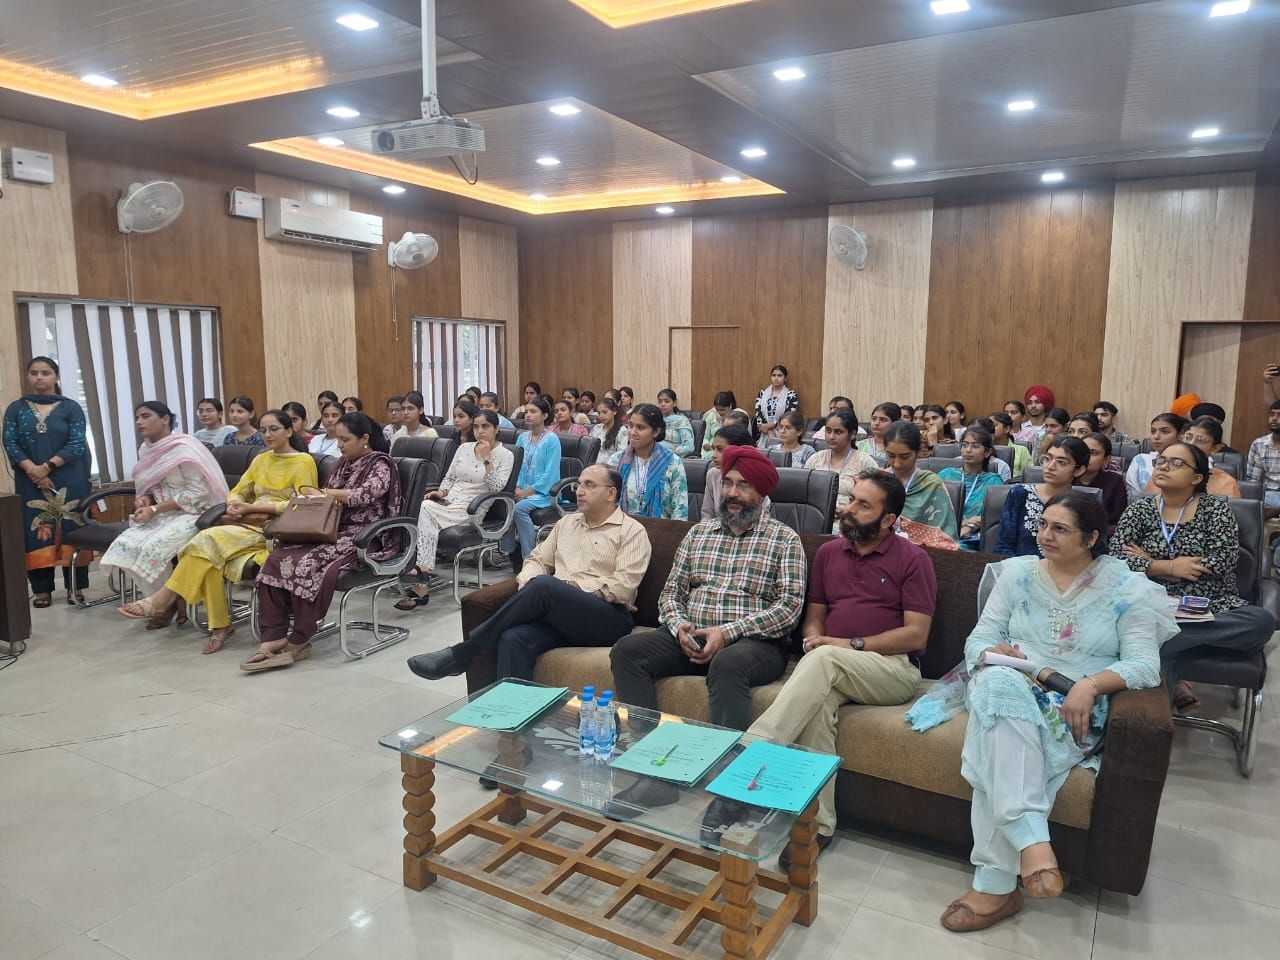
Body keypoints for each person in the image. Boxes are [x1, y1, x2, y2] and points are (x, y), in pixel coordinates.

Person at [939, 492, 1176, 933]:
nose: (1045, 535)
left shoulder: (1127, 590)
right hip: (1009, 685)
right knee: (996, 683)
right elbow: (979, 639)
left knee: (997, 744)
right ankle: (1031, 845)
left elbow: (1145, 664)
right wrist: (994, 652)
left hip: (1071, 706)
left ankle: (997, 886)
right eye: (1043, 525)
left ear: (1091, 538)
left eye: (1060, 529)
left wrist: (1090, 685)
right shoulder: (1017, 575)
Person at [735, 472, 935, 865]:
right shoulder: (829, 553)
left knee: (824, 659)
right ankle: (818, 825)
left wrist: (844, 645)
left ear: (888, 519)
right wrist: (814, 638)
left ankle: (754, 750)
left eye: (864, 505)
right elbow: (815, 616)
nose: (849, 509)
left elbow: (916, 634)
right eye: (852, 499)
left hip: (892, 670)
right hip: (833, 666)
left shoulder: (914, 560)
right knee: (817, 707)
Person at [610, 446, 805, 744]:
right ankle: (646, 745)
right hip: (692, 638)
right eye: (727, 483)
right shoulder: (699, 533)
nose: (732, 493)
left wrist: (726, 633)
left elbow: (789, 609)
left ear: (762, 493)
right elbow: (671, 592)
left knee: (728, 663)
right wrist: (679, 627)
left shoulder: (785, 540)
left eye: (744, 485)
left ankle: (725, 761)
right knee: (627, 650)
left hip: (754, 644)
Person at [407, 463, 652, 687]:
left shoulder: (631, 531)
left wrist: (566, 588)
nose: (579, 491)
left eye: (589, 485)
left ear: (611, 493)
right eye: (579, 485)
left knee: (546, 586)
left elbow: (621, 588)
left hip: (608, 619)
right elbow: (537, 560)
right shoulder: (567, 523)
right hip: (563, 614)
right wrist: (529, 580)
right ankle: (512, 715)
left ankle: (463, 653)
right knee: (513, 638)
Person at [120, 410, 317, 652]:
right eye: (264, 430)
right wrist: (234, 503)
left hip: (275, 529)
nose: (267, 435)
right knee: (207, 557)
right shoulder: (261, 459)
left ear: (288, 431)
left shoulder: (302, 461)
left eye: (274, 429)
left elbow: (302, 503)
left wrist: (254, 507)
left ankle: (163, 600)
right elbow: (239, 490)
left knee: (205, 540)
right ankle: (219, 625)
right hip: (246, 524)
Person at [1112, 442, 1276, 711]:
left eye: (1176, 463)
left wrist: (1147, 562)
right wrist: (1170, 567)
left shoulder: (1215, 509)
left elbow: (1223, 559)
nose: (1164, 466)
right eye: (1161, 461)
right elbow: (1117, 558)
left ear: (1197, 477)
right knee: (1138, 622)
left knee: (1261, 621)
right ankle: (1159, 703)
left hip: (1211, 606)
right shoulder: (1140, 509)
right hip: (1151, 602)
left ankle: (1163, 638)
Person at [246, 413, 401, 671]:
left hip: (363, 535)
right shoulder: (342, 463)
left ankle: (300, 638)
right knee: (277, 558)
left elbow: (362, 495)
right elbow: (326, 500)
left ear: (364, 438)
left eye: (345, 439)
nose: (339, 445)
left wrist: (324, 493)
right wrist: (314, 496)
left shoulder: (381, 464)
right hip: (331, 529)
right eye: (338, 439)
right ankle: (273, 635)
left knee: (307, 563)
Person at [101, 401, 228, 600]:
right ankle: (164, 600)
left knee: (152, 547)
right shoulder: (145, 449)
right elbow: (152, 484)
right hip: (162, 512)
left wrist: (155, 509)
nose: (139, 422)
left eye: (145, 416)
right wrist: (145, 499)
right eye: (137, 417)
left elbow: (197, 493)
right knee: (125, 544)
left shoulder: (184, 448)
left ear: (165, 419)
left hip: (196, 513)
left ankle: (165, 601)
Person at [396, 410, 515, 609]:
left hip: (472, 509)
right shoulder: (464, 448)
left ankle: (421, 572)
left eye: (485, 427)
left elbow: (497, 488)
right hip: (448, 503)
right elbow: (450, 477)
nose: (480, 431)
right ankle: (421, 580)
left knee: (423, 509)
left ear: (496, 429)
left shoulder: (505, 455)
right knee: (420, 507)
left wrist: (487, 459)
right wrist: (441, 492)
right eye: (476, 427)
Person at [3, 356, 92, 606]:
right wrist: (33, 470)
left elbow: (76, 443)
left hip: (69, 478)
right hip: (29, 480)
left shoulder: (71, 408)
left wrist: (46, 467)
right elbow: (10, 442)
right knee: (36, 531)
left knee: (73, 528)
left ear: (56, 377)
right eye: (34, 373)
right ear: (28, 376)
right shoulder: (16, 408)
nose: (39, 377)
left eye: (45, 373)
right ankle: (42, 590)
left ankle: (75, 587)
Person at [996, 436, 1088, 557]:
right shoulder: (1020, 494)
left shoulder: (1084, 504)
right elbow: (1003, 547)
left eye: (1061, 462)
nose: (1050, 466)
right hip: (1020, 566)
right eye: (1047, 459)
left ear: (1079, 470)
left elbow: (1087, 551)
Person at [501, 397, 561, 569]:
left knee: (519, 508)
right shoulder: (522, 438)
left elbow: (550, 473)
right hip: (522, 490)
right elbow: (517, 466)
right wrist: (516, 487)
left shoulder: (552, 440)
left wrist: (528, 491)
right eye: (527, 411)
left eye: (533, 412)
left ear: (545, 415)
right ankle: (510, 549)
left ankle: (530, 557)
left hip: (544, 493)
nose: (528, 415)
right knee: (505, 502)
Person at [883, 420, 959, 547]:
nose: (897, 463)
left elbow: (943, 537)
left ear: (918, 451)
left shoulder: (931, 484)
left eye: (905, 457)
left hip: (920, 551)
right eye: (891, 456)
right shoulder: (879, 481)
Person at [804, 410, 879, 529]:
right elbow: (804, 495)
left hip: (852, 524)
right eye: (828, 431)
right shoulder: (815, 459)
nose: (831, 437)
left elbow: (874, 501)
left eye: (838, 432)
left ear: (852, 434)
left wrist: (848, 510)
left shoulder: (865, 462)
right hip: (815, 521)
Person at [617, 403, 688, 520]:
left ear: (655, 432)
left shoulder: (672, 462)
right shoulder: (617, 460)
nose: (632, 432)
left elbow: (680, 511)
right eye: (630, 426)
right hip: (623, 528)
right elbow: (606, 503)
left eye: (640, 428)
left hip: (661, 529)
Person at [940, 427, 1004, 550]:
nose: (968, 450)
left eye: (975, 446)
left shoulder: (993, 482)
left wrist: (970, 527)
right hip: (944, 533)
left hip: (972, 540)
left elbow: (993, 519)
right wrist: (965, 523)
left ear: (987, 452)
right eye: (965, 445)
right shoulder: (946, 475)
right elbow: (934, 509)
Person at [703, 425, 772, 521]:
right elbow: (707, 514)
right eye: (713, 449)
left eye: (720, 449)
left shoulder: (755, 474)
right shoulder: (713, 474)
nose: (714, 455)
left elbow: (761, 516)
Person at [1125, 413, 1187, 499]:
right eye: (1153, 431)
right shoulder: (1140, 460)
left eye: (1165, 432)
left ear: (1180, 435)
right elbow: (1133, 496)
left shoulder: (1188, 463)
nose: (1156, 436)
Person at [1182, 416, 1241, 498]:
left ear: (1215, 448)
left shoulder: (1225, 483)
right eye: (1188, 437)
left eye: (1201, 440)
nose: (1191, 444)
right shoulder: (1166, 471)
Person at [1078, 433, 1128, 528]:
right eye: (1082, 451)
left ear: (1106, 459)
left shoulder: (1115, 481)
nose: (1086, 457)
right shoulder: (1067, 477)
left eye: (1093, 453)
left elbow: (1117, 521)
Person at [1245, 400, 1280, 513]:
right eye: (1272, 414)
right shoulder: (1259, 444)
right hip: (1268, 495)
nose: (1274, 419)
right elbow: (1252, 480)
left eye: (1279, 415)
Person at [754, 364, 800, 444]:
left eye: (779, 375)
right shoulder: (762, 393)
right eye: (773, 375)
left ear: (785, 378)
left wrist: (773, 425)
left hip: (783, 431)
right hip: (764, 433)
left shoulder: (790, 394)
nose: (776, 378)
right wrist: (769, 431)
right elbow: (758, 413)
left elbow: (789, 415)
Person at [700, 391, 744, 459]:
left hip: (729, 450)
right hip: (711, 450)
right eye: (717, 410)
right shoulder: (711, 416)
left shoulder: (737, 418)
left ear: (730, 405)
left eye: (723, 410)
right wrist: (706, 444)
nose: (720, 412)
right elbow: (706, 437)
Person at [989, 412, 1031, 480]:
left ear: (1006, 429)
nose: (989, 429)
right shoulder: (984, 450)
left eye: (993, 426)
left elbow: (1028, 477)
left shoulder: (1022, 450)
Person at [857, 402, 901, 466]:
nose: (876, 423)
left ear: (895, 423)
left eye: (883, 420)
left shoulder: (900, 448)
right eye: (874, 419)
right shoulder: (858, 446)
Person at [656, 389, 695, 457]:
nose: (662, 404)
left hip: (671, 456)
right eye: (660, 401)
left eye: (666, 401)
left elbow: (689, 446)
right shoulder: (655, 420)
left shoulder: (681, 420)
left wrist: (669, 453)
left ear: (674, 403)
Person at [591, 397, 628, 466]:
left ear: (614, 412)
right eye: (599, 413)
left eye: (605, 412)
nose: (601, 416)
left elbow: (621, 455)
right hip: (593, 466)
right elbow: (589, 450)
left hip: (611, 468)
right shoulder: (596, 428)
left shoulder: (622, 431)